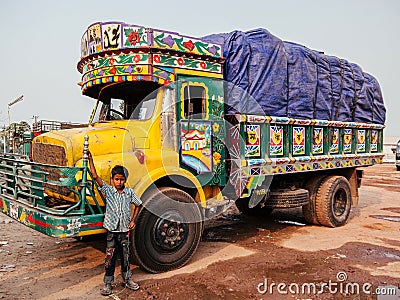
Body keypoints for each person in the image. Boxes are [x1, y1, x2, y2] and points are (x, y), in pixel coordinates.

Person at [87, 150, 142, 296]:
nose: (119, 182)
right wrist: (91, 160)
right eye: (117, 179)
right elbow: (95, 176)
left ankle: (127, 279)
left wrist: (133, 221)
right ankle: (108, 283)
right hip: (112, 232)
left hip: (125, 232)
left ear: (125, 179)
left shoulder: (129, 192)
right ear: (112, 179)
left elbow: (139, 204)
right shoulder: (109, 191)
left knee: (126, 257)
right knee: (110, 258)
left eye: (122, 179)